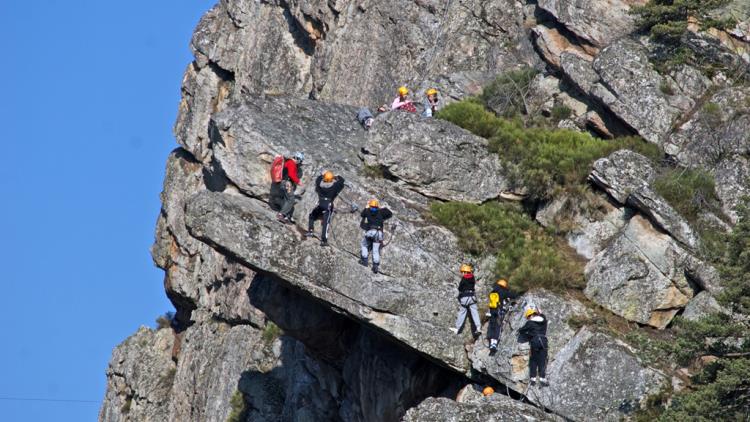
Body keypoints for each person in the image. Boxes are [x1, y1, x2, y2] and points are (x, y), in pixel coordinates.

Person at [306, 171, 346, 246]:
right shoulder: (334, 186)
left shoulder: (320, 185)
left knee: (312, 215)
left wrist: (322, 174)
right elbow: (342, 181)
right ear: (331, 179)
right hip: (328, 204)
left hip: (320, 204)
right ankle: (324, 240)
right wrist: (337, 176)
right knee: (326, 222)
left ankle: (310, 231)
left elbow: (317, 179)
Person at [359, 199, 393, 274]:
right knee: (375, 250)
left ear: (370, 206)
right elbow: (390, 214)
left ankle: (364, 260)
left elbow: (362, 215)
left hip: (371, 231)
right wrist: (383, 214)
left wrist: (366, 207)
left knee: (364, 244)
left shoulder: (367, 210)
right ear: (377, 206)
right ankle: (375, 265)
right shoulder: (381, 211)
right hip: (378, 233)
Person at [486, 278, 519, 355]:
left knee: (492, 325)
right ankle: (494, 344)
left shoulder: (493, 291)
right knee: (498, 326)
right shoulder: (503, 291)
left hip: (492, 311)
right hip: (498, 311)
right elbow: (512, 295)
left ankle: (491, 342)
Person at [518, 308, 549, 387]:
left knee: (533, 360)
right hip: (543, 342)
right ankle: (542, 378)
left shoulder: (530, 322)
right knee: (542, 359)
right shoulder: (544, 321)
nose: (528, 318)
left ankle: (533, 378)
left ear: (531, 315)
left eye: (528, 317)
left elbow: (522, 330)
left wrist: (522, 331)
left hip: (535, 341)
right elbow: (543, 316)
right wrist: (540, 313)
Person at [451, 264, 481, 339]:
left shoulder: (464, 278)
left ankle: (457, 328)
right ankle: (478, 327)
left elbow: (460, 288)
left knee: (462, 312)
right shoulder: (472, 278)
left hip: (465, 297)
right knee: (474, 312)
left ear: (465, 272)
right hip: (472, 297)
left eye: (462, 272)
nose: (462, 274)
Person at [277, 151, 305, 224]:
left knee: (287, 199)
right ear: (297, 159)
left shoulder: (289, 163)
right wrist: (298, 182)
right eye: (300, 161)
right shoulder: (291, 163)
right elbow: (291, 174)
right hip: (287, 183)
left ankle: (285, 215)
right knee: (291, 199)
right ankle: (281, 214)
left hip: (284, 182)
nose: (300, 163)